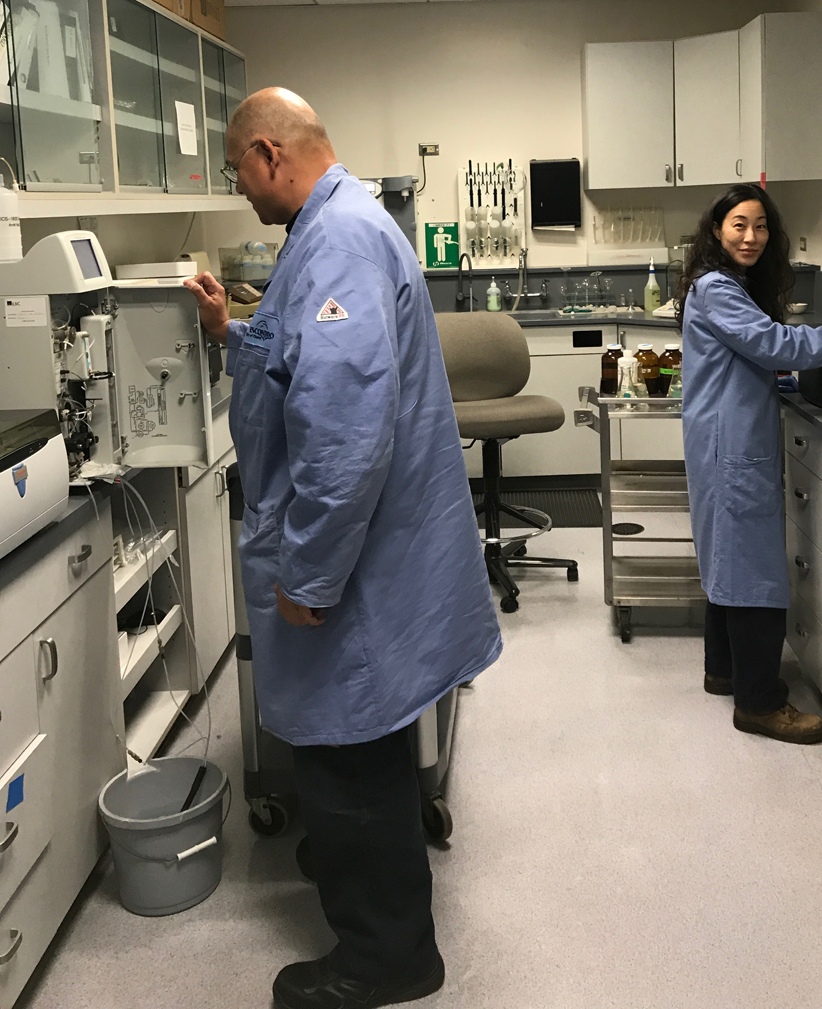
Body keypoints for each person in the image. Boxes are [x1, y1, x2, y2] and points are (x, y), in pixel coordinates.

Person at [184, 88, 502, 1009]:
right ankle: (363, 862)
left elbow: (345, 433)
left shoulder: (342, 241)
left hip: (352, 560)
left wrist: (309, 574)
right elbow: (297, 356)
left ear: (271, 152)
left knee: (345, 740)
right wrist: (229, 335)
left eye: (238, 168)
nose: (237, 188)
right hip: (366, 549)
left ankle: (387, 954)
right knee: (360, 738)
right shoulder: (331, 231)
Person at [677, 183, 822, 745]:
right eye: (740, 224)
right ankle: (760, 703)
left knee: (727, 557)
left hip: (723, 436)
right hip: (731, 446)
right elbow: (774, 344)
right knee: (754, 570)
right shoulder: (718, 287)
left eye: (761, 225)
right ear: (718, 230)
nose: (752, 236)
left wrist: (775, 378)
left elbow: (747, 358)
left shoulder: (723, 285)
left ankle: (723, 672)